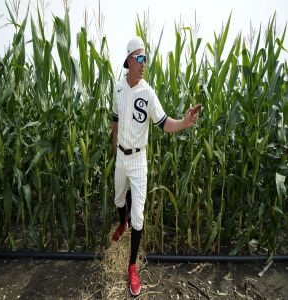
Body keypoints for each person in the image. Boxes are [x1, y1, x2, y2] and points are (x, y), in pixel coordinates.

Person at [111, 36, 202, 296]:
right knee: (119, 199)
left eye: (146, 59)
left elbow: (164, 124)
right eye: (140, 58)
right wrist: (113, 149)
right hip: (121, 156)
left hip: (139, 160)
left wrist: (184, 123)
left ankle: (131, 266)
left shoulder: (148, 93)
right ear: (129, 60)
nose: (144, 63)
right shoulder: (118, 89)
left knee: (138, 214)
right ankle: (122, 223)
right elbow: (115, 121)